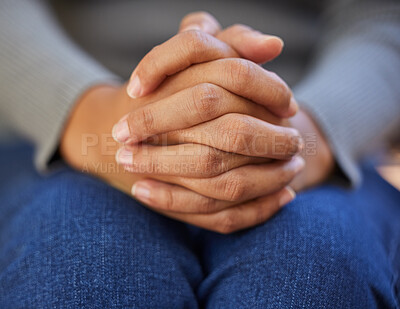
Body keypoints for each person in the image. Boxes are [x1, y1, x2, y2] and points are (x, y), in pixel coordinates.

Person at [0, 0, 399, 308]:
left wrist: (307, 134)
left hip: (318, 120)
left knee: (314, 260)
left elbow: (385, 16)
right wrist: (89, 115)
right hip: (52, 122)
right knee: (79, 258)